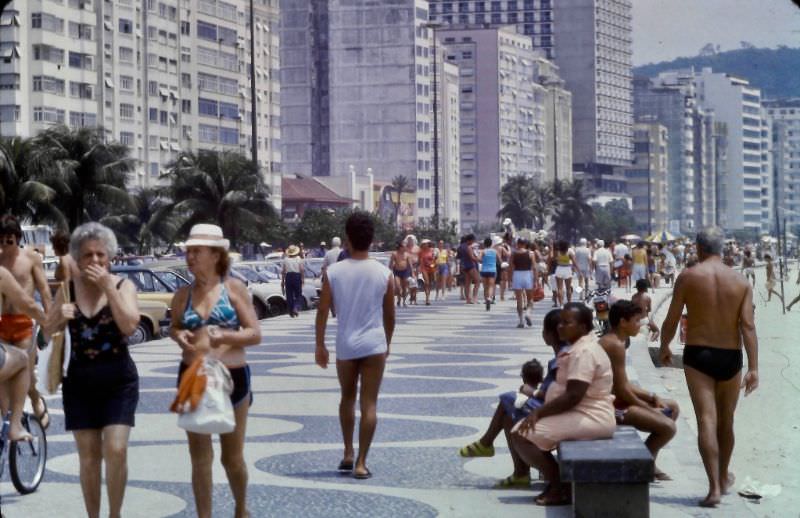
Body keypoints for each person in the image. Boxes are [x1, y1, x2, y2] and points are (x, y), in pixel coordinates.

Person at [44, 223, 140, 518]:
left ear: (109, 257)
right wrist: (58, 317)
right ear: (77, 258)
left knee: (116, 449)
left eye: (101, 255)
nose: (95, 261)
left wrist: (109, 288)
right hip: (79, 384)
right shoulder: (68, 290)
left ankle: (115, 514)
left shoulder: (124, 286)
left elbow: (130, 326)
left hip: (118, 382)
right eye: (87, 256)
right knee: (88, 458)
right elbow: (46, 333)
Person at [659, 226, 758, 508]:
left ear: (698, 248)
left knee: (706, 420)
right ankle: (724, 476)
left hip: (699, 354)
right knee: (726, 421)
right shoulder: (740, 281)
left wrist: (665, 347)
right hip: (731, 356)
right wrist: (754, 367)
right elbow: (748, 326)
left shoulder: (689, 276)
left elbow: (672, 317)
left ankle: (714, 487)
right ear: (723, 249)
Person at [169, 224, 261, 518]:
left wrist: (226, 337)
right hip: (193, 375)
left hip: (232, 378)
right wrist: (177, 335)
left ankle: (240, 508)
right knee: (199, 458)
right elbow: (175, 327)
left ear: (216, 255)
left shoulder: (233, 289)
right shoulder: (183, 295)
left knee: (232, 458)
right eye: (189, 251)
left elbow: (255, 333)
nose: (190, 256)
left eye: (197, 251)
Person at [510, 303, 616, 506]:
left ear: (584, 327)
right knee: (522, 431)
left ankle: (560, 485)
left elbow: (573, 396)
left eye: (567, 323)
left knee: (520, 435)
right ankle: (558, 482)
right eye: (560, 323)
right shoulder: (579, 347)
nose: (561, 327)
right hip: (581, 412)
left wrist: (538, 413)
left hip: (591, 416)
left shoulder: (583, 352)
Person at [315, 212, 395, 480]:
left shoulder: (333, 272)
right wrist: (388, 343)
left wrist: (320, 345)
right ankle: (361, 462)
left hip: (346, 344)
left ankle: (348, 452)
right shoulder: (385, 273)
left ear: (347, 239)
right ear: (371, 240)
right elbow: (390, 316)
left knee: (347, 398)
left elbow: (323, 311)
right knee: (369, 404)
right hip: (374, 344)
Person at [458, 309, 566, 488]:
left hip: (557, 411)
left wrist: (532, 393)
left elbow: (558, 395)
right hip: (555, 407)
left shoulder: (563, 360)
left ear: (547, 335)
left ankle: (486, 442)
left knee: (508, 399)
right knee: (508, 416)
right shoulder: (560, 357)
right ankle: (520, 473)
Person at [600, 301, 678, 480]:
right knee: (668, 428)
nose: (640, 325)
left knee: (672, 407)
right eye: (636, 320)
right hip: (608, 406)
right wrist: (646, 407)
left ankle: (649, 462)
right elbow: (621, 390)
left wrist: (651, 396)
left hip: (616, 399)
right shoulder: (614, 345)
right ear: (623, 322)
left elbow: (623, 383)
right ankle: (641, 465)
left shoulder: (618, 340)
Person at [0, 215, 52, 429]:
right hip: (3, 323)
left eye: (9, 241)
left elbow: (44, 290)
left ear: (18, 238)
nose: (4, 245)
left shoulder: (31, 258)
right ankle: (8, 424)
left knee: (27, 374)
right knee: (3, 376)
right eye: (1, 241)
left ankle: (36, 399)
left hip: (24, 323)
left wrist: (48, 320)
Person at [0, 267, 46, 442]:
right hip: (14, 328)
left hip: (18, 327)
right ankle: (14, 426)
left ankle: (9, 415)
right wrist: (49, 323)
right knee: (22, 359)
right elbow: (29, 304)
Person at [511, 239, 534, 328]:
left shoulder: (514, 254)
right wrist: (535, 279)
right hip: (527, 274)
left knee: (519, 300)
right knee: (530, 299)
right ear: (525, 244)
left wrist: (510, 279)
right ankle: (528, 313)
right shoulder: (531, 253)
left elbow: (510, 267)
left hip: (517, 274)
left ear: (518, 244)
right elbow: (534, 267)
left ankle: (521, 321)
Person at [281, 245, 305, 317]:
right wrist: (303, 279)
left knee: (289, 295)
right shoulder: (298, 259)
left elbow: (283, 271)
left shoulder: (285, 259)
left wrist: (282, 281)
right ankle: (296, 307)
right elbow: (302, 270)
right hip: (296, 276)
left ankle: (291, 311)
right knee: (298, 294)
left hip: (288, 277)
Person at [552, 240, 577, 306]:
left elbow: (554, 259)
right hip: (567, 269)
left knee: (560, 288)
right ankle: (569, 303)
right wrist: (578, 271)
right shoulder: (569, 253)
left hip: (559, 269)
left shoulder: (557, 252)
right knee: (568, 288)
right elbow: (574, 262)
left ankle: (561, 304)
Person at [459, 234, 480, 304]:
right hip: (471, 265)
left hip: (465, 266)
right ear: (470, 240)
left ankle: (468, 299)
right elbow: (472, 257)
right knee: (477, 281)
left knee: (467, 283)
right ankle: (474, 298)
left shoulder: (461, 246)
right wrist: (479, 259)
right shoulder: (469, 247)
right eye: (473, 240)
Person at [389, 241, 411, 307]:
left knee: (405, 288)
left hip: (405, 272)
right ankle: (399, 300)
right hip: (397, 272)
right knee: (398, 287)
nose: (405, 248)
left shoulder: (407, 254)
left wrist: (412, 273)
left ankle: (404, 302)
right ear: (400, 247)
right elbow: (391, 264)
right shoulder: (394, 254)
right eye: (404, 247)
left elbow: (410, 264)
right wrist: (389, 272)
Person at [479, 238, 497, 311]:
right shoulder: (494, 251)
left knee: (485, 287)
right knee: (491, 286)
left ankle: (486, 300)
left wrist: (483, 261)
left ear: (484, 244)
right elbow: (499, 259)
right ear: (491, 243)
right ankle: (490, 298)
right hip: (492, 270)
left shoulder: (483, 251)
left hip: (484, 270)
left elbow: (478, 258)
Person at [419, 239, 436, 305]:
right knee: (427, 282)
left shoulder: (432, 250)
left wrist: (433, 263)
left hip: (431, 268)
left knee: (430, 283)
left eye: (426, 243)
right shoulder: (421, 252)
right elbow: (420, 260)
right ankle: (427, 299)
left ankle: (428, 296)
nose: (425, 245)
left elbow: (434, 259)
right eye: (424, 244)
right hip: (424, 268)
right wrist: (420, 268)